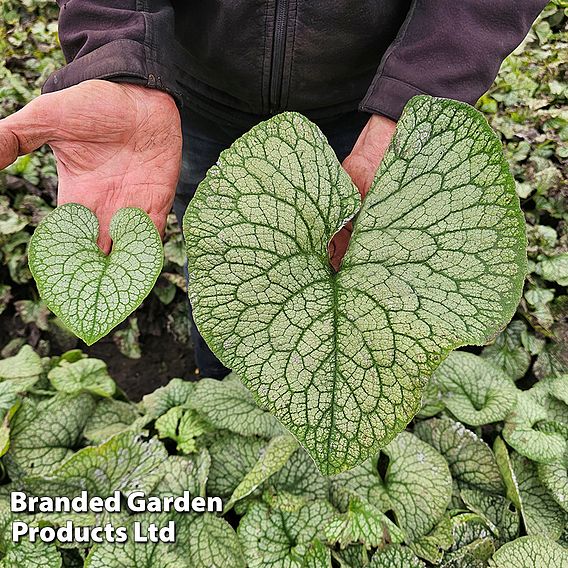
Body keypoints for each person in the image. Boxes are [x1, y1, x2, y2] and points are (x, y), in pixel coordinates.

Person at [0, 1, 547, 378]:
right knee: (226, 267)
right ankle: (219, 383)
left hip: (371, 98)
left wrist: (418, 95)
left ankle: (319, 409)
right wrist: (119, 54)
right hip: (188, 96)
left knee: (364, 285)